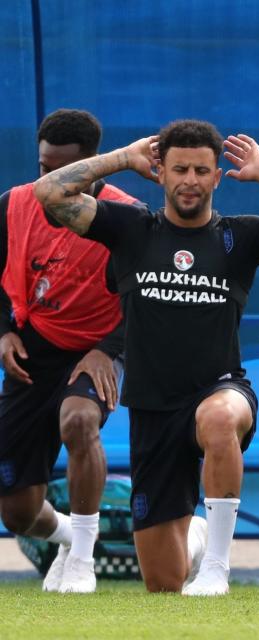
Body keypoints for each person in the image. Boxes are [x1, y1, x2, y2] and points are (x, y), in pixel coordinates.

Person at [33, 119, 259, 596]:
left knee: (219, 420)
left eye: (202, 170)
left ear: (218, 177)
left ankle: (217, 565)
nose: (191, 180)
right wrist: (123, 158)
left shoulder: (240, 237)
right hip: (154, 408)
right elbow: (49, 193)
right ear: (161, 174)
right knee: (163, 581)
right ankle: (197, 534)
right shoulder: (132, 228)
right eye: (180, 169)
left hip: (222, 388)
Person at [0, 109, 141, 594]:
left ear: (93, 166)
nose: (50, 180)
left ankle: (83, 558)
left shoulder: (128, 217)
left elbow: (145, 298)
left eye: (63, 171)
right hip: (32, 352)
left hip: (96, 351)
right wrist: (4, 331)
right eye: (44, 168)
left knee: (79, 421)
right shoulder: (13, 206)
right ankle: (64, 536)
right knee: (17, 512)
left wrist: (110, 350)